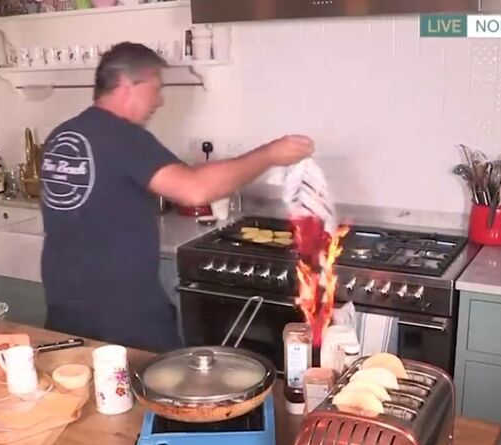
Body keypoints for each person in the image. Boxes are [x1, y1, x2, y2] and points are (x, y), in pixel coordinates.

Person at [39, 42, 314, 352]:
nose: (160, 100)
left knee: (84, 390)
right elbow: (194, 190)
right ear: (129, 84)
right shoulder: (122, 136)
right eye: (156, 88)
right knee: (157, 392)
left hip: (66, 310)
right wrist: (270, 154)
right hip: (122, 318)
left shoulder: (62, 135)